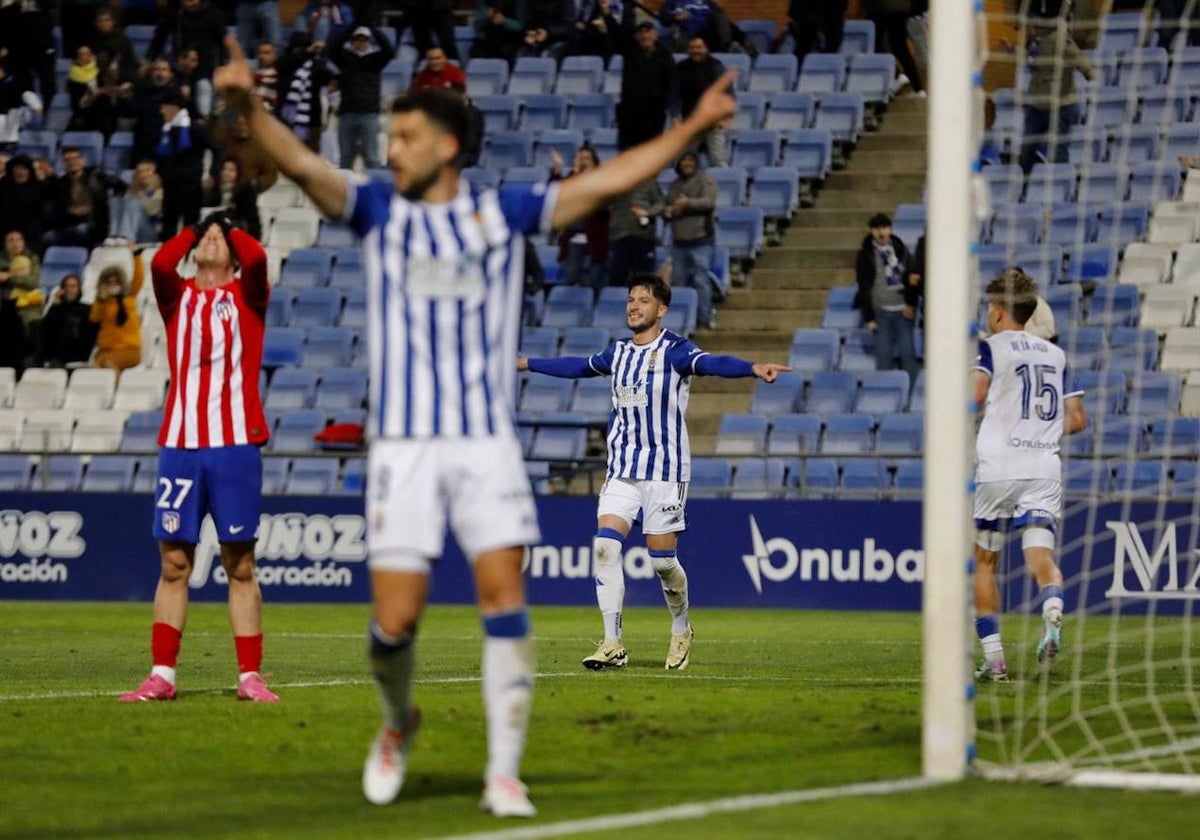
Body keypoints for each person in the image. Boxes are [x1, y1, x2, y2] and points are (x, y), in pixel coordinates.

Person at [211, 34, 737, 814]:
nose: (390, 151)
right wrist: (248, 108)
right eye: (388, 138)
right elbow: (303, 166)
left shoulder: (499, 215)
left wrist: (690, 131)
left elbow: (604, 186)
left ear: (448, 145)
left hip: (484, 443)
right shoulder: (379, 210)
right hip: (404, 448)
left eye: (405, 138)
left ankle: (504, 770)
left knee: (503, 599)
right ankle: (399, 721)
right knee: (393, 626)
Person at [517, 273, 790, 671]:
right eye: (630, 299)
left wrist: (752, 368)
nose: (633, 306)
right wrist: (528, 362)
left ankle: (681, 628)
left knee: (662, 562)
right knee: (605, 547)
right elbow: (579, 366)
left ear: (661, 310)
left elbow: (712, 364)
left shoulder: (676, 350)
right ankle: (613, 644)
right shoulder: (618, 353)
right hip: (623, 469)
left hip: (665, 470)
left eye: (643, 301)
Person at [120, 212, 277, 704]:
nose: (212, 239)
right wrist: (194, 228)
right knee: (173, 565)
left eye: (220, 238)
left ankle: (249, 676)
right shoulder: (177, 295)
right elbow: (162, 262)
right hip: (181, 447)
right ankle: (162, 674)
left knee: (241, 566)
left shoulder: (247, 296)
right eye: (205, 237)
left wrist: (230, 228)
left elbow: (258, 257)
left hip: (234, 448)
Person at [972, 268, 1086, 682]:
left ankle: (996, 660)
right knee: (1041, 556)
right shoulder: (1056, 356)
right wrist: (1035, 434)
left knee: (984, 561)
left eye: (990, 307)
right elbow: (1077, 420)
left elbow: (977, 395)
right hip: (1043, 468)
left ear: (1000, 312)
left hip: (998, 467)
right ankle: (1053, 609)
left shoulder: (991, 347)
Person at [1016, 15, 1094, 175]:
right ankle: (1025, 184)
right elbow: (1031, 63)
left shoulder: (1057, 38)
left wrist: (1087, 70)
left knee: (1058, 148)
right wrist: (1013, 51)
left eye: (1025, 28)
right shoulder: (1034, 44)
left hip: (1061, 104)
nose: (1023, 32)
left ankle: (1059, 181)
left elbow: (1075, 54)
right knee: (1027, 148)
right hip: (1037, 104)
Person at [853, 212, 920, 383]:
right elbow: (863, 286)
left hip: (903, 311)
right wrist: (869, 317)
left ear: (890, 229)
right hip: (880, 312)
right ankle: (884, 393)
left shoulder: (900, 249)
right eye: (877, 229)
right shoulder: (865, 254)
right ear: (872, 231)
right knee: (883, 357)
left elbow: (914, 277)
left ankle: (911, 397)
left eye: (884, 228)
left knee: (908, 356)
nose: (881, 232)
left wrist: (911, 304)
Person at [663, 152, 717, 330]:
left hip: (701, 240)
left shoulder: (705, 179)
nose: (687, 163)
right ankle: (682, 322)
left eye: (690, 160)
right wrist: (669, 211)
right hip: (679, 242)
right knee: (679, 283)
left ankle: (704, 317)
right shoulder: (673, 186)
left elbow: (709, 202)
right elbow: (668, 208)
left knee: (701, 280)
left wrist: (688, 203)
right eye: (684, 160)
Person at [330, 26, 396, 170]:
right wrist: (350, 29)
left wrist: (373, 28)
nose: (361, 43)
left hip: (369, 114)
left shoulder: (376, 61)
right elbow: (332, 48)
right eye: (357, 39)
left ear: (369, 41)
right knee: (346, 158)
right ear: (352, 41)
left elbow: (389, 50)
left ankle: (373, 190)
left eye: (364, 39)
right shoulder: (345, 60)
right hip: (347, 114)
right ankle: (345, 191)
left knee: (372, 158)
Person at [551, 145, 608, 295]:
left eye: (587, 158)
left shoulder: (604, 180)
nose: (583, 162)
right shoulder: (572, 178)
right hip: (573, 238)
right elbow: (555, 195)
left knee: (594, 282)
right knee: (571, 279)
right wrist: (558, 168)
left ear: (595, 162)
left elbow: (604, 206)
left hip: (596, 240)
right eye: (580, 158)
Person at [156, 89, 212, 239]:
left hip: (191, 182)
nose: (161, 111)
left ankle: (190, 253)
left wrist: (213, 173)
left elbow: (215, 148)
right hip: (170, 182)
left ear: (173, 107)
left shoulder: (195, 128)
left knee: (191, 222)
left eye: (163, 107)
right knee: (169, 221)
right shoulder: (164, 129)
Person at [672, 36, 727, 168]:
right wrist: (675, 117)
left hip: (713, 122)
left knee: (718, 160)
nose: (695, 50)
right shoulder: (681, 68)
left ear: (706, 48)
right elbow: (673, 96)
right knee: (683, 160)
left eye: (699, 47)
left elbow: (727, 93)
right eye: (692, 48)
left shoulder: (716, 66)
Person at [607, 177, 664, 287]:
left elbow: (661, 203)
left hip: (643, 236)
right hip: (619, 236)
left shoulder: (649, 182)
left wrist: (648, 212)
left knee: (644, 280)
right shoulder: (614, 183)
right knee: (617, 278)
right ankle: (618, 303)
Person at [89, 255, 143, 370]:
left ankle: (114, 387)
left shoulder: (129, 297)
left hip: (129, 349)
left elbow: (139, 278)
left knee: (107, 364)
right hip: (106, 350)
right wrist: (101, 300)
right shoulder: (102, 302)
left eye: (116, 282)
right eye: (108, 283)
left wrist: (136, 256)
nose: (112, 285)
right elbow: (94, 318)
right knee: (97, 366)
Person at [41, 273, 98, 367]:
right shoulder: (56, 309)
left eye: (73, 286)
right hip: (56, 358)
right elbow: (46, 331)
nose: (69, 290)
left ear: (79, 289)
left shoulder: (87, 309)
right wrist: (55, 305)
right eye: (66, 286)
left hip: (78, 357)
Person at [202, 157, 262, 239]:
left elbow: (252, 217)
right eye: (224, 169)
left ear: (238, 173)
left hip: (237, 231)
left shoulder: (245, 192)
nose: (226, 173)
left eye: (231, 170)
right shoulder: (214, 189)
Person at [110, 159, 164, 244]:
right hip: (133, 226)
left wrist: (140, 195)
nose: (143, 174)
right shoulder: (132, 190)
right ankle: (114, 236)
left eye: (147, 170)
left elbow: (151, 211)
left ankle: (127, 237)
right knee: (116, 201)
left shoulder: (161, 192)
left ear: (155, 173)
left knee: (133, 203)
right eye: (140, 171)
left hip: (150, 230)